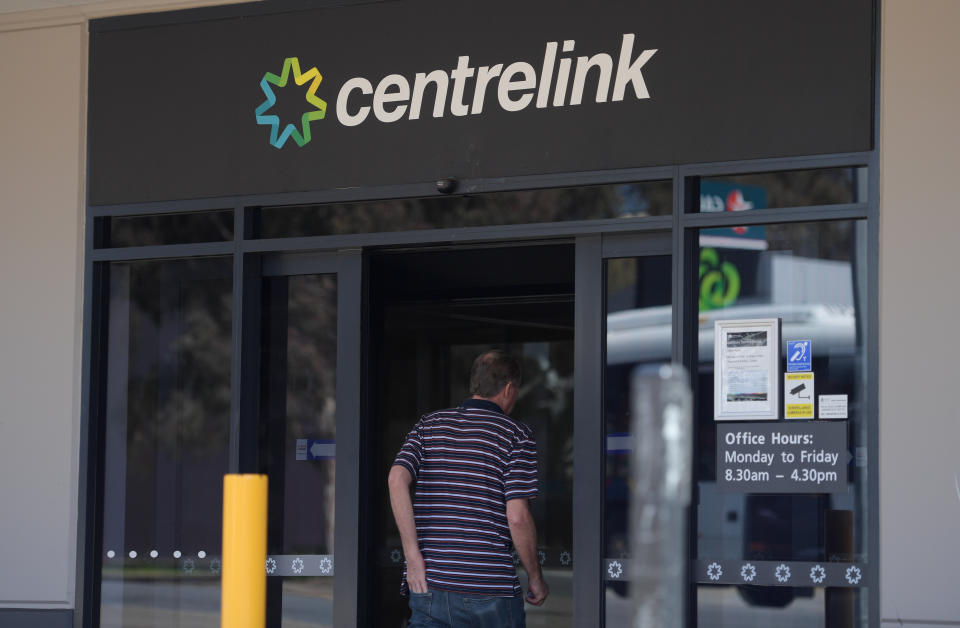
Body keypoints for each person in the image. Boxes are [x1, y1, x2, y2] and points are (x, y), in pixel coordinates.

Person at [388, 349, 549, 627]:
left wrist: (412, 557)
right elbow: (518, 516)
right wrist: (535, 577)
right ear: (509, 388)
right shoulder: (516, 435)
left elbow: (396, 479)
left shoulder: (429, 425)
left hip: (430, 584)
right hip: (490, 589)